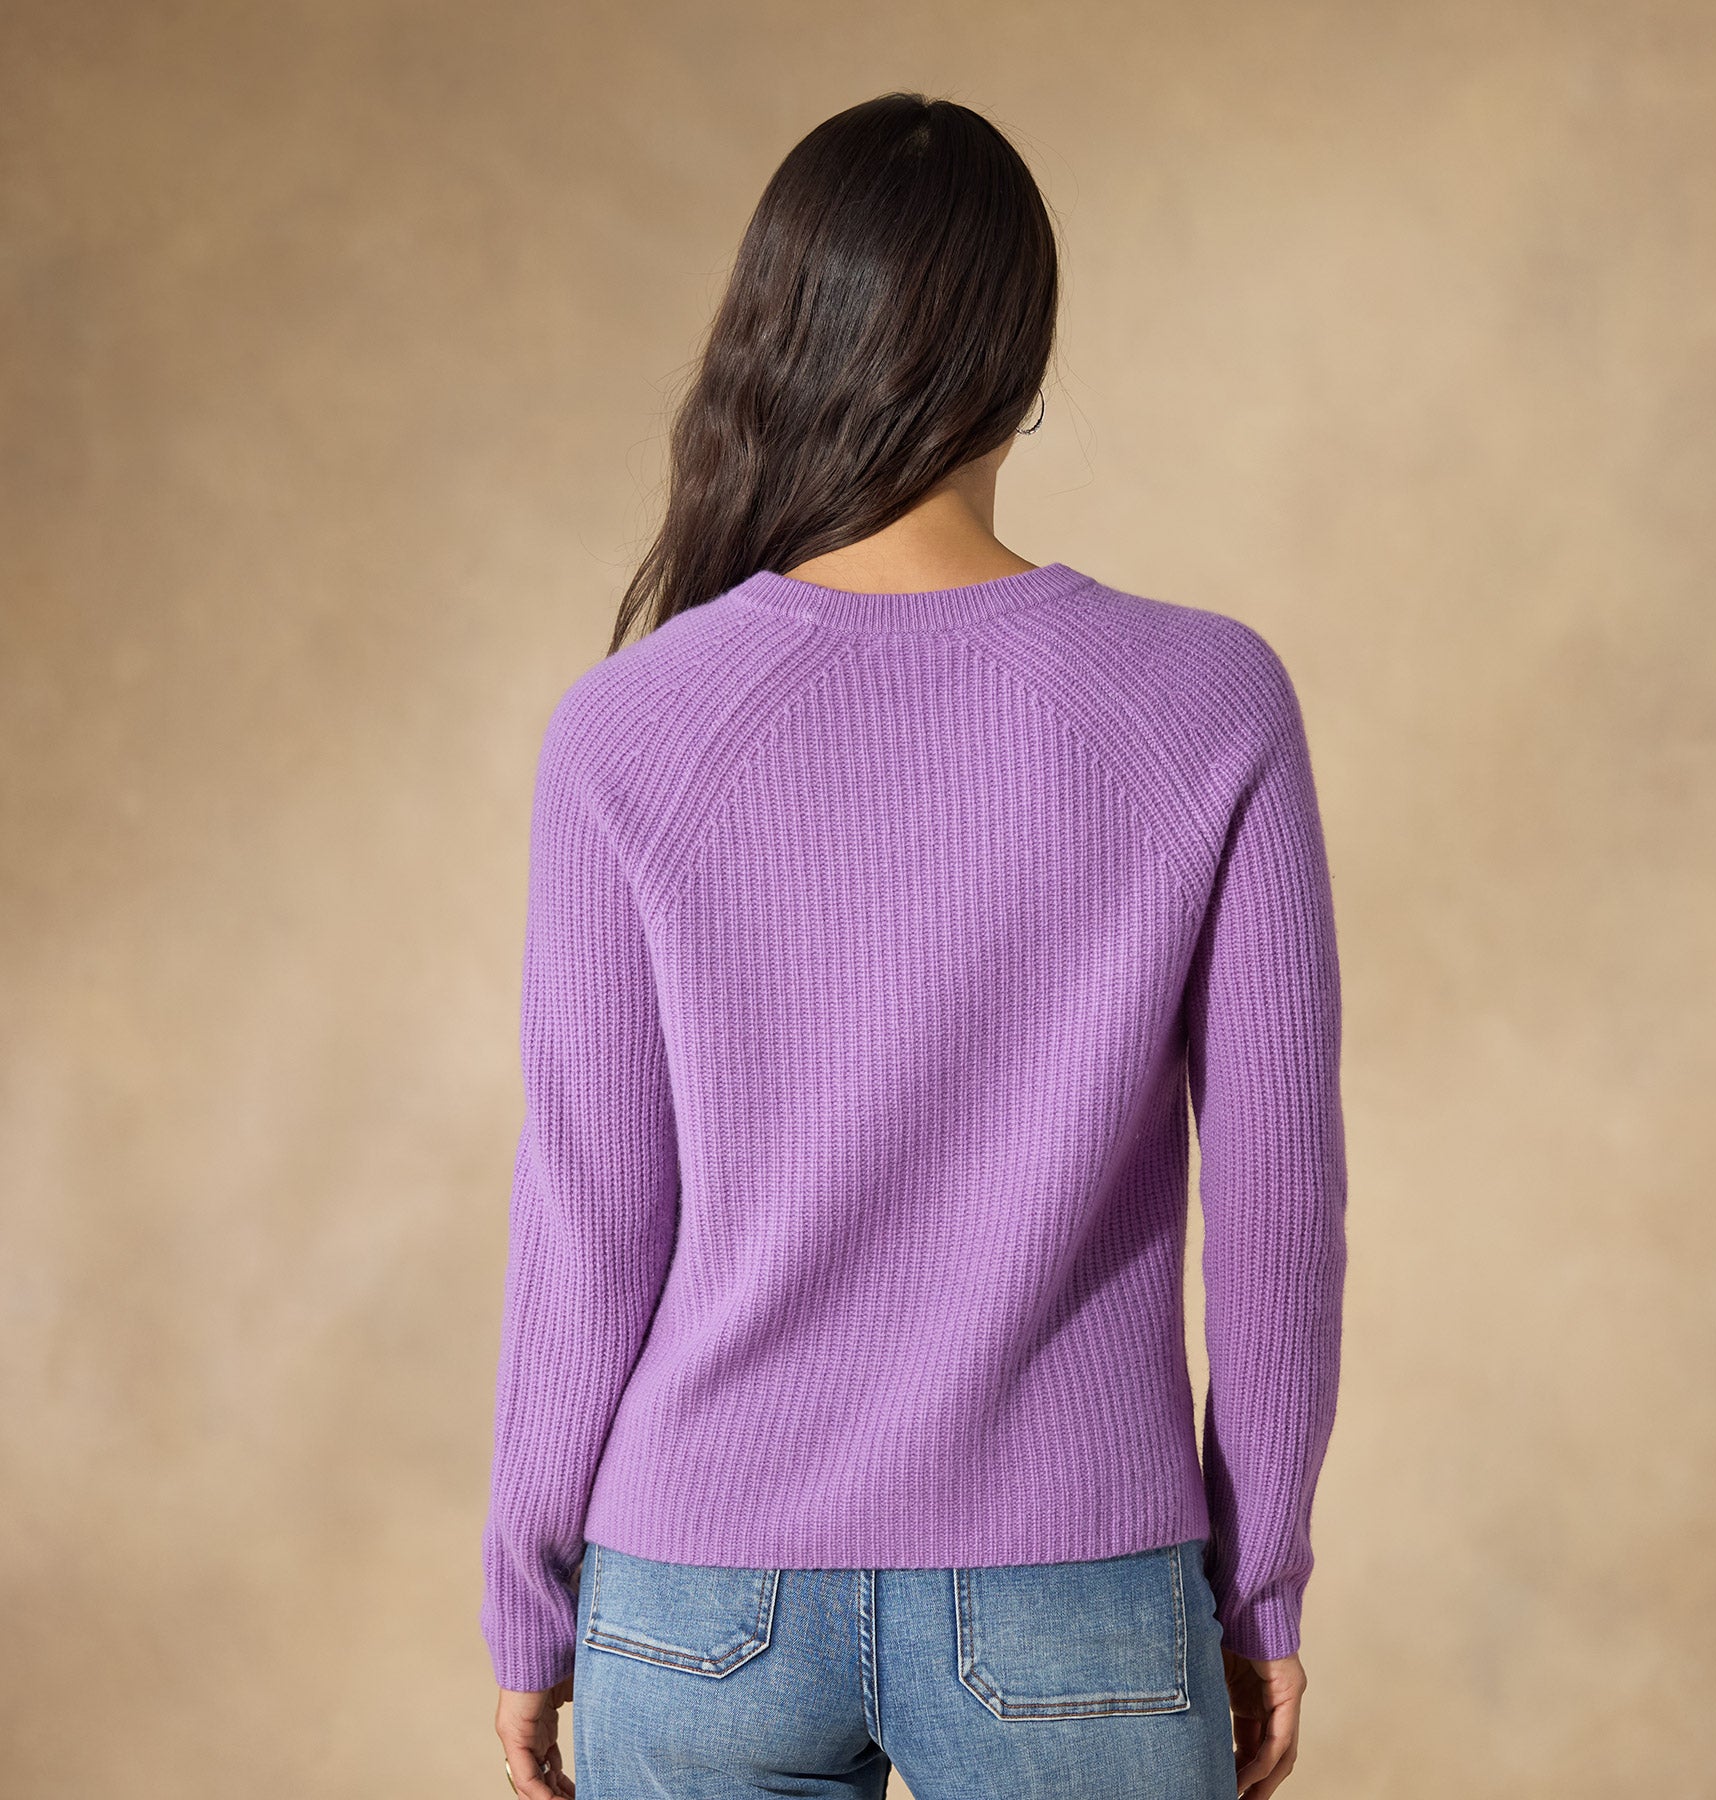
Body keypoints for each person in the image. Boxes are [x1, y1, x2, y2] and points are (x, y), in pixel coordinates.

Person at [480, 91, 1348, 1800]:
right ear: (1023, 365)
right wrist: (1259, 1589)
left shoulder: (627, 727)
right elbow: (1280, 1207)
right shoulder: (1207, 700)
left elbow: (586, 1213)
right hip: (1081, 1597)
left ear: (781, 345)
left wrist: (530, 1602)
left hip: (692, 1597)